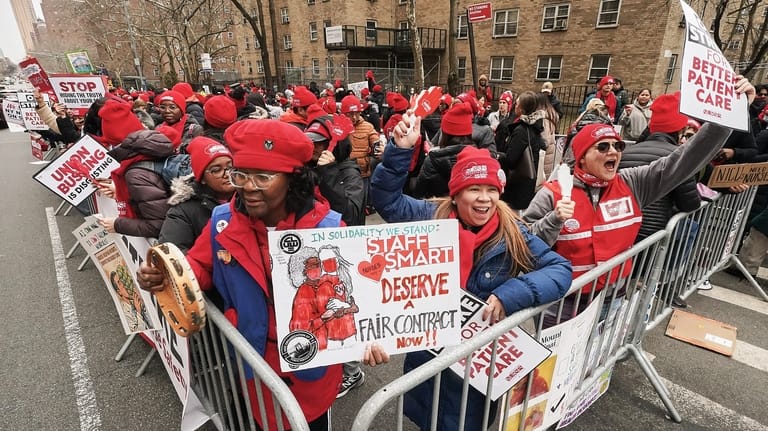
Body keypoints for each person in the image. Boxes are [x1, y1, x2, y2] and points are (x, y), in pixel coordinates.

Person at [137, 119, 389, 431]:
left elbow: (358, 299)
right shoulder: (222, 222)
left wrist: (367, 340)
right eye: (240, 174)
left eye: (263, 177)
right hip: (250, 363)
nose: (247, 187)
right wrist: (167, 278)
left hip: (309, 372)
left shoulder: (328, 230)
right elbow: (199, 267)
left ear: (293, 180)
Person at [370, 116, 571, 431]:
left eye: (491, 189)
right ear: (455, 194)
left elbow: (560, 269)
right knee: (431, 418)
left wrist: (510, 295)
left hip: (480, 364)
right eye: (473, 189)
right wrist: (398, 151)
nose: (484, 198)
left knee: (466, 422)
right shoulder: (429, 216)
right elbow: (386, 199)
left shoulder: (512, 231)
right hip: (430, 354)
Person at [524, 79, 756, 321]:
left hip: (611, 299)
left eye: (617, 146)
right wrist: (555, 220)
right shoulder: (553, 193)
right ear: (581, 158)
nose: (613, 152)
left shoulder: (632, 182)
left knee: (600, 357)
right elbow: (523, 246)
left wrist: (731, 113)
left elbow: (686, 159)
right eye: (602, 147)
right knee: (556, 360)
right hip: (561, 304)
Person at [94, 99, 175, 238]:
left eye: (112, 144)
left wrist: (117, 224)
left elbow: (158, 225)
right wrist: (121, 191)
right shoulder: (152, 150)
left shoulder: (135, 174)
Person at [158, 136, 235, 253]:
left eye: (230, 167)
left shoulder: (248, 198)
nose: (227, 174)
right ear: (202, 178)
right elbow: (172, 254)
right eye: (216, 170)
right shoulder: (183, 211)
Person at [497, 91, 546, 210]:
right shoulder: (535, 127)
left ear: (523, 109)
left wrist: (498, 155)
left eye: (517, 103)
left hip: (518, 185)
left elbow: (511, 159)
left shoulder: (521, 130)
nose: (515, 106)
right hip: (528, 183)